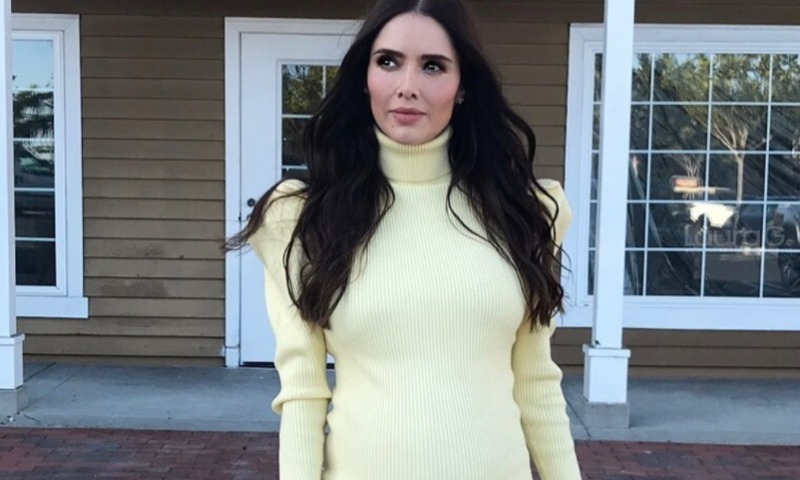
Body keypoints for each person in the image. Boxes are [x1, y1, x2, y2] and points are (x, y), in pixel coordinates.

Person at [226, 0, 582, 478]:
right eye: (388, 61)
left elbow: (536, 382)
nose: (407, 86)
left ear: (462, 86)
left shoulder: (526, 211)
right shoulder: (300, 217)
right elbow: (303, 394)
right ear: (365, 77)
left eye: (433, 66)